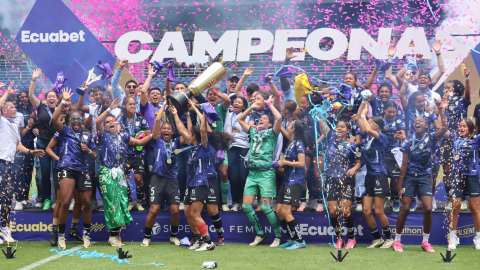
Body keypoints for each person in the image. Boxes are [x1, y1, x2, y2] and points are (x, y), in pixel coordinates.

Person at [95, 97, 152, 246]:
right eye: (107, 122)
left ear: (116, 123)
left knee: (121, 202)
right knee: (111, 203)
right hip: (107, 173)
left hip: (119, 173)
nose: (109, 123)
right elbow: (97, 122)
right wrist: (109, 109)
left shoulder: (123, 135)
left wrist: (153, 134)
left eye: (112, 121)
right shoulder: (103, 136)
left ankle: (115, 235)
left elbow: (139, 142)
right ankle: (113, 236)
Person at [394, 99, 447, 253]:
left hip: (425, 176)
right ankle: (397, 241)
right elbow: (403, 165)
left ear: (426, 125)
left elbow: (443, 129)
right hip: (409, 176)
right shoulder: (408, 141)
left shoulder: (431, 137)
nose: (417, 122)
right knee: (404, 208)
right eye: (415, 121)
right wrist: (400, 185)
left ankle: (425, 242)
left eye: (421, 121)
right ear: (413, 125)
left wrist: (441, 111)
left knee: (428, 209)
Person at [179, 99, 233, 251]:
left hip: (205, 180)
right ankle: (201, 240)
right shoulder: (195, 146)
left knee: (208, 211)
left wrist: (203, 111)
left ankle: (213, 239)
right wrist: (184, 114)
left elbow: (204, 130)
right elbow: (187, 130)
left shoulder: (206, 144)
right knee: (192, 212)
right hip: (195, 182)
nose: (188, 134)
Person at [49, 88, 97, 250]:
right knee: (65, 202)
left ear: (82, 120)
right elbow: (55, 118)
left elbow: (95, 156)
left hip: (82, 170)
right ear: (69, 121)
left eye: (79, 119)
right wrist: (63, 101)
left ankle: (87, 235)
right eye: (73, 119)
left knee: (87, 203)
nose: (76, 121)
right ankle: (61, 236)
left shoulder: (88, 135)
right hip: (67, 169)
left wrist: (89, 150)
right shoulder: (64, 131)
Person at [237, 96, 284, 247]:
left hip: (266, 174)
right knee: (246, 205)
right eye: (260, 118)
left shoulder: (272, 133)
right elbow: (240, 119)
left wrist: (269, 104)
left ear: (270, 124)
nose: (261, 120)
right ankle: (260, 233)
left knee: (265, 206)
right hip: (252, 174)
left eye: (264, 119)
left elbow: (279, 117)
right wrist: (251, 107)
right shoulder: (253, 132)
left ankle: (278, 236)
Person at [0, 88, 44, 244]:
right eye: (11, 107)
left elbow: (18, 145)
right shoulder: (1, 120)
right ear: (3, 110)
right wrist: (5, 94)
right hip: (1, 161)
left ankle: (5, 229)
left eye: (14, 107)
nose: (15, 109)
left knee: (6, 198)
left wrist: (31, 152)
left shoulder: (12, 124)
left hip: (8, 164)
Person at [142, 102, 183, 247]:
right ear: (160, 132)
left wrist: (176, 114)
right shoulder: (156, 140)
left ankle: (173, 237)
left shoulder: (176, 142)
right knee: (154, 210)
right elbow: (157, 121)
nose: (165, 130)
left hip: (172, 180)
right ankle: (147, 237)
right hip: (157, 178)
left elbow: (184, 132)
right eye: (163, 129)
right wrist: (164, 104)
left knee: (175, 210)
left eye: (168, 129)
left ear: (172, 132)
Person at [318, 116, 361, 249]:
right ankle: (339, 239)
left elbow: (358, 163)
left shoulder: (353, 146)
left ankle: (352, 239)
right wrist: (319, 111)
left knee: (346, 211)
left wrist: (353, 169)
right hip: (331, 180)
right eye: (338, 126)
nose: (339, 128)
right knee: (333, 212)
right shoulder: (331, 138)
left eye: (342, 127)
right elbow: (321, 121)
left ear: (348, 130)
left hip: (347, 181)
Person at [356, 95, 393, 249]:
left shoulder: (381, 137)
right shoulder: (367, 140)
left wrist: (365, 115)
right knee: (366, 210)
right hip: (369, 177)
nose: (367, 125)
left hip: (380, 176)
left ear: (376, 126)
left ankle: (389, 238)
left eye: (370, 123)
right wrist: (364, 102)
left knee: (378, 211)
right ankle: (378, 239)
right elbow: (358, 117)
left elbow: (366, 124)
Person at [275, 120, 310, 250]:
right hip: (286, 180)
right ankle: (291, 239)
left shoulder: (299, 144)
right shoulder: (291, 142)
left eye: (290, 125)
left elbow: (301, 163)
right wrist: (278, 164)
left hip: (295, 181)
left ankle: (300, 241)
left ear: (294, 129)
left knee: (286, 211)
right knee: (279, 211)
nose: (288, 126)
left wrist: (284, 163)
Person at [447, 119, 480, 250]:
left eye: (464, 126)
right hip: (457, 176)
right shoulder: (455, 138)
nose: (461, 128)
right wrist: (441, 110)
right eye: (459, 126)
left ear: (471, 128)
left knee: (475, 209)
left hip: (472, 176)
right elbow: (444, 128)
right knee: (455, 207)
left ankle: (478, 237)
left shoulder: (476, 139)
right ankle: (453, 237)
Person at [28, 68, 59, 211]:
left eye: (54, 96)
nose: (51, 98)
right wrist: (34, 79)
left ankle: (57, 199)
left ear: (57, 99)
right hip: (42, 144)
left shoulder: (61, 110)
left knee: (57, 171)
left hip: (58, 145)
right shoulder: (40, 107)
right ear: (46, 99)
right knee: (45, 171)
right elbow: (30, 96)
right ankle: (46, 198)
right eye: (49, 97)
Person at [442, 68, 471, 211]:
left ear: (456, 89)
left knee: (460, 170)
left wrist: (467, 78)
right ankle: (449, 198)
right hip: (446, 141)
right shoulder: (443, 103)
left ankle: (463, 198)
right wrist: (440, 109)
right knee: (447, 170)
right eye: (444, 89)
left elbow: (467, 97)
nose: (445, 91)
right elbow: (438, 121)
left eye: (448, 88)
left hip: (460, 141)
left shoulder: (462, 102)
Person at [120, 96, 151, 211]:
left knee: (139, 179)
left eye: (134, 104)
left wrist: (140, 140)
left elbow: (148, 134)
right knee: (125, 179)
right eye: (130, 104)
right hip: (125, 154)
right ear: (124, 105)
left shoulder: (140, 119)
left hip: (139, 154)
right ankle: (129, 202)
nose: (133, 106)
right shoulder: (120, 120)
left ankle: (139, 202)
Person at [223, 96, 250, 212]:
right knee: (233, 177)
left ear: (244, 106)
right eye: (235, 102)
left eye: (239, 102)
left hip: (244, 148)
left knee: (243, 177)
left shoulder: (248, 117)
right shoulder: (227, 116)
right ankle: (235, 202)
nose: (236, 103)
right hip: (231, 148)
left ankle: (244, 202)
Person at [13, 89, 36, 210]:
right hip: (19, 145)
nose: (24, 99)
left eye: (26, 96)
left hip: (31, 145)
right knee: (19, 172)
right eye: (21, 97)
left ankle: (25, 198)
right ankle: (19, 199)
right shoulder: (17, 112)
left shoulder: (33, 109)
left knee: (28, 172)